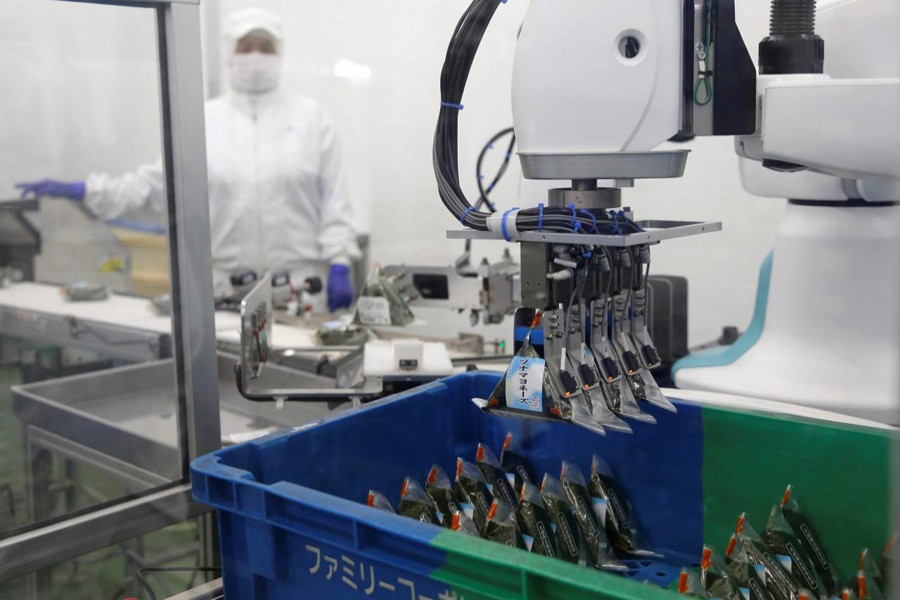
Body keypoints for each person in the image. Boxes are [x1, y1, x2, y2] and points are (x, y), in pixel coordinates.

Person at [17, 8, 359, 313]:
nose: (256, 56)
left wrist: (340, 263)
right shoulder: (203, 120)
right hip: (225, 292)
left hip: (302, 288)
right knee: (230, 381)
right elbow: (153, 188)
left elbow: (335, 203)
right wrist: (85, 189)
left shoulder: (311, 119)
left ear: (279, 54)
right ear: (229, 53)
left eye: (265, 48)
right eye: (246, 47)